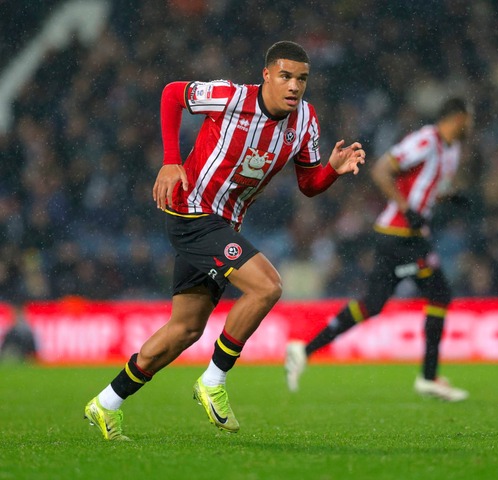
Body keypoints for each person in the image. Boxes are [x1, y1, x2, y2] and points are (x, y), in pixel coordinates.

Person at [84, 41, 366, 440]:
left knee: (185, 328)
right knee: (267, 286)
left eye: (302, 79)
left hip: (224, 225)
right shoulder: (231, 97)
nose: (294, 86)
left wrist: (333, 170)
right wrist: (169, 159)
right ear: (266, 75)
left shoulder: (306, 121)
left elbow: (308, 183)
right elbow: (171, 94)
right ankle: (213, 380)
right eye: (285, 76)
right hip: (192, 213)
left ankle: (106, 403)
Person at [285, 97, 472, 402]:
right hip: (399, 234)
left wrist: (450, 198)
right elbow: (381, 169)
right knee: (439, 292)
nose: (471, 126)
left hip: (406, 235)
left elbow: (429, 189)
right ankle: (428, 377)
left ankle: (304, 350)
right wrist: (403, 206)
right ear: (457, 118)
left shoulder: (452, 150)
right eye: (468, 119)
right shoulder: (427, 140)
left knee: (373, 303)